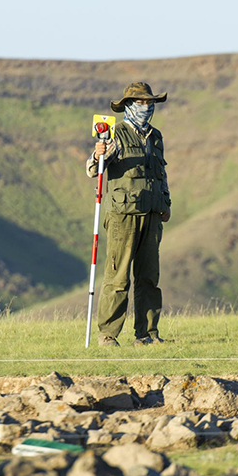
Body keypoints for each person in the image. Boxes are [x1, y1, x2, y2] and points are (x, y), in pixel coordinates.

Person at [86, 82, 171, 347]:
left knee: (148, 277)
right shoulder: (117, 134)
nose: (146, 107)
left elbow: (161, 174)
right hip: (123, 216)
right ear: (129, 106)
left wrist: (166, 202)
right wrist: (97, 154)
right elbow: (93, 169)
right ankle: (108, 335)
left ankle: (146, 334)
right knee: (118, 276)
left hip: (152, 214)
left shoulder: (156, 137)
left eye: (150, 103)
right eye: (141, 103)